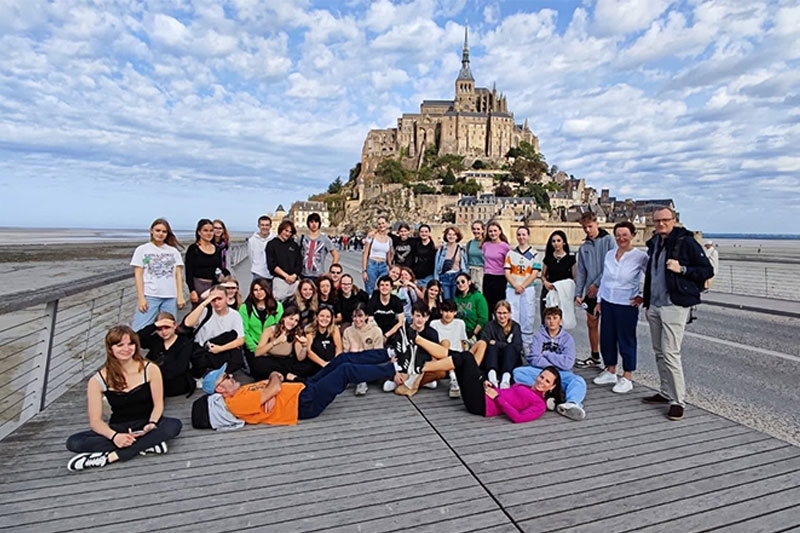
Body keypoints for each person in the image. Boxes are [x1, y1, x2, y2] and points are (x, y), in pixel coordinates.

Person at [65, 326, 182, 471]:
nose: (126, 349)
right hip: (118, 427)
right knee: (74, 442)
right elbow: (95, 421)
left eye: (130, 344)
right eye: (120, 345)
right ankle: (147, 445)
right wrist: (115, 437)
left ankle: (110, 457)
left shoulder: (150, 369)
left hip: (147, 424)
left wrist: (152, 423)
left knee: (173, 426)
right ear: (110, 348)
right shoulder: (97, 380)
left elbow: (158, 405)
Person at [643, 206, 713, 420]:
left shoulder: (686, 242)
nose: (661, 224)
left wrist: (681, 269)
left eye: (665, 220)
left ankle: (677, 401)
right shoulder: (654, 243)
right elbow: (651, 274)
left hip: (674, 304)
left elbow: (706, 270)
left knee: (671, 352)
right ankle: (665, 392)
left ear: (674, 220)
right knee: (659, 351)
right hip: (654, 304)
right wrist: (646, 302)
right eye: (657, 221)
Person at [205, 350, 397, 425]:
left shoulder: (243, 390)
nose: (231, 376)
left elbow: (275, 376)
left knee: (341, 359)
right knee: (345, 371)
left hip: (301, 387)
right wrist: (272, 388)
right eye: (226, 377)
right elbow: (274, 385)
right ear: (220, 389)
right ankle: (397, 368)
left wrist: (273, 385)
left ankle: (390, 352)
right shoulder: (236, 402)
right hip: (303, 403)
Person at [415, 335, 562, 423]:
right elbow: (508, 394)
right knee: (460, 357)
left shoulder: (540, 405)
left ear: (552, 387)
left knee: (466, 357)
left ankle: (421, 367)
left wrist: (497, 397)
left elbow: (518, 417)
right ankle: (418, 351)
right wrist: (491, 386)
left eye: (547, 381)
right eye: (542, 377)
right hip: (484, 393)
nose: (541, 381)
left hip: (482, 405)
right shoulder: (527, 386)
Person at [592, 222, 649, 394]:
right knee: (607, 337)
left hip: (627, 303)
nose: (621, 238)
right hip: (608, 301)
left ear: (632, 235)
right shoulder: (609, 255)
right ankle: (610, 370)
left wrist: (643, 297)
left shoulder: (640, 256)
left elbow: (652, 277)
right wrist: (599, 300)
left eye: (625, 235)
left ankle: (627, 375)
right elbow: (605, 280)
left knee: (626, 339)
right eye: (618, 235)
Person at [513, 307, 586, 421]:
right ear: (545, 320)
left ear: (560, 321)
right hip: (542, 372)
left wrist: (546, 354)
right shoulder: (538, 336)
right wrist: (552, 367)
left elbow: (568, 363)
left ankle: (571, 404)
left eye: (555, 318)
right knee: (518, 372)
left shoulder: (567, 339)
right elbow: (533, 358)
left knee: (578, 381)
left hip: (561, 373)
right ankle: (549, 394)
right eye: (548, 318)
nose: (551, 321)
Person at [574, 211, 615, 368]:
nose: (587, 230)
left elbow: (611, 265)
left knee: (608, 326)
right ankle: (595, 355)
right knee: (591, 322)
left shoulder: (609, 241)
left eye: (590, 226)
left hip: (606, 288)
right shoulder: (583, 247)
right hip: (591, 291)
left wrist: (598, 283)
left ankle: (610, 362)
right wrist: (578, 293)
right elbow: (582, 271)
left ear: (597, 223)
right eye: (584, 227)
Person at [131, 218, 185, 330]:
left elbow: (178, 275)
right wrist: (141, 298)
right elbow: (138, 274)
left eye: (164, 231)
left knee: (168, 328)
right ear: (151, 231)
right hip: (150, 294)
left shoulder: (173, 252)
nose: (160, 234)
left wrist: (180, 295)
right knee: (140, 328)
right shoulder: (142, 250)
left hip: (170, 296)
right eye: (158, 230)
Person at [183, 286, 245, 377]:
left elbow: (240, 340)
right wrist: (204, 303)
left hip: (221, 345)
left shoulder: (234, 315)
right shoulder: (204, 311)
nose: (216, 303)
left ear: (227, 299)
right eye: (213, 300)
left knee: (236, 357)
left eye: (219, 299)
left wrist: (221, 348)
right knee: (201, 362)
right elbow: (188, 323)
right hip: (203, 347)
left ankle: (223, 373)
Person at [383, 302, 441, 394]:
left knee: (439, 372)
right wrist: (396, 373)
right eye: (417, 316)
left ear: (427, 318)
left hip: (422, 367)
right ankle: (418, 383)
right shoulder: (403, 331)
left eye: (423, 316)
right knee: (386, 385)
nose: (420, 319)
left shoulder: (432, 333)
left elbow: (434, 358)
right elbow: (395, 356)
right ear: (411, 315)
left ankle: (413, 382)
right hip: (404, 366)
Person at [136, 312, 195, 397]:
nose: (164, 332)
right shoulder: (156, 340)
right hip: (156, 382)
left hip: (176, 384)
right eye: (160, 329)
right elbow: (137, 338)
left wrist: (154, 376)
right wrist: (154, 325)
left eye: (167, 327)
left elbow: (180, 367)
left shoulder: (184, 342)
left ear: (174, 326)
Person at [504, 226, 541, 352]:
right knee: (512, 315)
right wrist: (515, 285)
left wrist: (523, 286)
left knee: (528, 315)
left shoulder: (535, 254)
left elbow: (535, 273)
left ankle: (527, 344)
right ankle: (513, 343)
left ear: (528, 236)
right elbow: (507, 272)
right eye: (519, 234)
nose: (521, 237)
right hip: (512, 288)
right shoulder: (511, 253)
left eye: (524, 234)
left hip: (527, 288)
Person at [252, 306, 311, 379]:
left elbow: (300, 358)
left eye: (296, 321)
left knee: (308, 366)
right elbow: (257, 353)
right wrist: (275, 342)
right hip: (270, 359)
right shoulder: (270, 330)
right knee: (258, 363)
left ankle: (283, 375)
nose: (293, 322)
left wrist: (304, 346)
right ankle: (288, 376)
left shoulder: (296, 333)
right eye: (291, 318)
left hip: (285, 361)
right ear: (283, 318)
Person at [239, 278, 283, 370]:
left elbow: (280, 327)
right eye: (255, 290)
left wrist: (268, 347)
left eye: (262, 289)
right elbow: (244, 331)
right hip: (253, 347)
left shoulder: (277, 306)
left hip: (272, 347)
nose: (259, 292)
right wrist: (256, 349)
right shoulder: (245, 308)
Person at [342, 304, 385, 396]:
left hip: (371, 362)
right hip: (354, 360)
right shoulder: (348, 331)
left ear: (366, 316)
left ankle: (359, 379)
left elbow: (378, 353)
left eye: (360, 316)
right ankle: (360, 380)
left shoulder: (376, 331)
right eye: (354, 316)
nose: (357, 320)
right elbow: (346, 352)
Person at [480, 300, 522, 389]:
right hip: (493, 359)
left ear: (510, 313)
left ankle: (505, 380)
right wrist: (504, 344)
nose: (502, 316)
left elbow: (517, 346)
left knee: (510, 348)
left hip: (510, 360)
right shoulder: (489, 325)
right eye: (499, 313)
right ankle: (492, 379)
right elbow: (484, 341)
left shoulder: (515, 326)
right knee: (491, 348)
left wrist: (496, 343)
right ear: (495, 313)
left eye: (505, 313)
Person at [430, 299, 468, 398]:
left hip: (457, 355)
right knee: (445, 342)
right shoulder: (434, 324)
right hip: (442, 357)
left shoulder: (460, 323)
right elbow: (433, 345)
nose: (448, 314)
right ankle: (453, 378)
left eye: (451, 312)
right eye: (446, 311)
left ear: (455, 312)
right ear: (441, 311)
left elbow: (462, 342)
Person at [185, 218, 224, 308]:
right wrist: (192, 290)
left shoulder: (217, 249)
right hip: (199, 285)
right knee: (198, 313)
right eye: (205, 230)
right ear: (199, 232)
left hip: (214, 285)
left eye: (211, 230)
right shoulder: (193, 249)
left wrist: (224, 275)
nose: (209, 233)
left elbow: (220, 268)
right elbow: (188, 272)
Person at [540, 230, 576, 322]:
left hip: (564, 293)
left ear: (563, 242)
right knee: (547, 320)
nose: (556, 243)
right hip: (549, 291)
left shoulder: (570, 259)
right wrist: (545, 283)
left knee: (562, 320)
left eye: (558, 241)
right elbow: (543, 275)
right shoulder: (548, 258)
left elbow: (575, 277)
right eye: (554, 241)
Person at [267, 220, 303, 301]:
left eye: (290, 232)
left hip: (294, 281)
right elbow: (271, 264)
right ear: (281, 230)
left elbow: (299, 263)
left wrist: (294, 276)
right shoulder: (272, 244)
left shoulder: (294, 245)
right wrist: (286, 276)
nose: (288, 234)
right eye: (286, 231)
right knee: (279, 303)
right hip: (280, 280)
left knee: (294, 304)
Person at [299, 213, 339, 282]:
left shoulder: (325, 239)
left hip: (319, 276)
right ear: (308, 224)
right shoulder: (302, 238)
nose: (314, 224)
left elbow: (336, 255)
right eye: (311, 222)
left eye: (316, 222)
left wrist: (331, 272)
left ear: (319, 223)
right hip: (303, 275)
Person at [481, 221, 511, 314]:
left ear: (500, 232)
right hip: (488, 276)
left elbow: (509, 263)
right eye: (490, 231)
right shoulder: (485, 245)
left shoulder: (505, 247)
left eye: (495, 231)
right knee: (487, 303)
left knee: (499, 303)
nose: (493, 233)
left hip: (500, 277)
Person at [366, 275, 405, 344]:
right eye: (382, 285)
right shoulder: (372, 301)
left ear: (391, 288)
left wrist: (386, 335)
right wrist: (380, 336)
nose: (384, 287)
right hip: (376, 330)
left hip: (392, 331)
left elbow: (400, 322)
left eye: (387, 285)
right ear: (378, 287)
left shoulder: (397, 301)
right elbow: (370, 321)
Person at [434, 226, 469, 300]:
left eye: (454, 234)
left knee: (456, 300)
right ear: (446, 236)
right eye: (449, 234)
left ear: (457, 236)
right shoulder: (441, 249)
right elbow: (436, 267)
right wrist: (436, 283)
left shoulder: (461, 249)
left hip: (457, 277)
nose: (451, 236)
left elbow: (465, 265)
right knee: (446, 301)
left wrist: (466, 280)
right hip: (444, 277)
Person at [362, 216, 393, 297]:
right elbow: (365, 254)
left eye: (383, 223)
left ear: (387, 224)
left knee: (383, 289)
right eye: (379, 224)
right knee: (370, 289)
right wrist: (364, 270)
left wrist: (390, 268)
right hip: (372, 265)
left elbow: (389, 256)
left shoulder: (389, 240)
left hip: (383, 266)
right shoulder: (372, 236)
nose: (381, 225)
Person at [454, 272, 489, 341]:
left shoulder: (478, 297)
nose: (460, 284)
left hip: (476, 333)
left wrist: (474, 333)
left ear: (469, 282)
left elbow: (483, 319)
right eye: (458, 283)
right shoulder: (456, 299)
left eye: (463, 281)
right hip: (460, 333)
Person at [248, 215, 274, 287]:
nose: (264, 227)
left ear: (270, 226)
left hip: (272, 275)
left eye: (267, 225)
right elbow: (251, 257)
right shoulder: (252, 240)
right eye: (262, 225)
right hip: (258, 273)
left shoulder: (274, 239)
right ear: (258, 226)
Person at [413, 224, 438, 288]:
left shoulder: (433, 245)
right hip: (417, 275)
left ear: (429, 233)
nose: (424, 234)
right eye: (422, 232)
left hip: (429, 275)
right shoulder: (416, 243)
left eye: (426, 232)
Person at [466, 220, 485, 292]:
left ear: (483, 230)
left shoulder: (486, 244)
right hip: (471, 272)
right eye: (474, 229)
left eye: (478, 229)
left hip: (482, 272)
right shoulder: (469, 243)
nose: (476, 231)